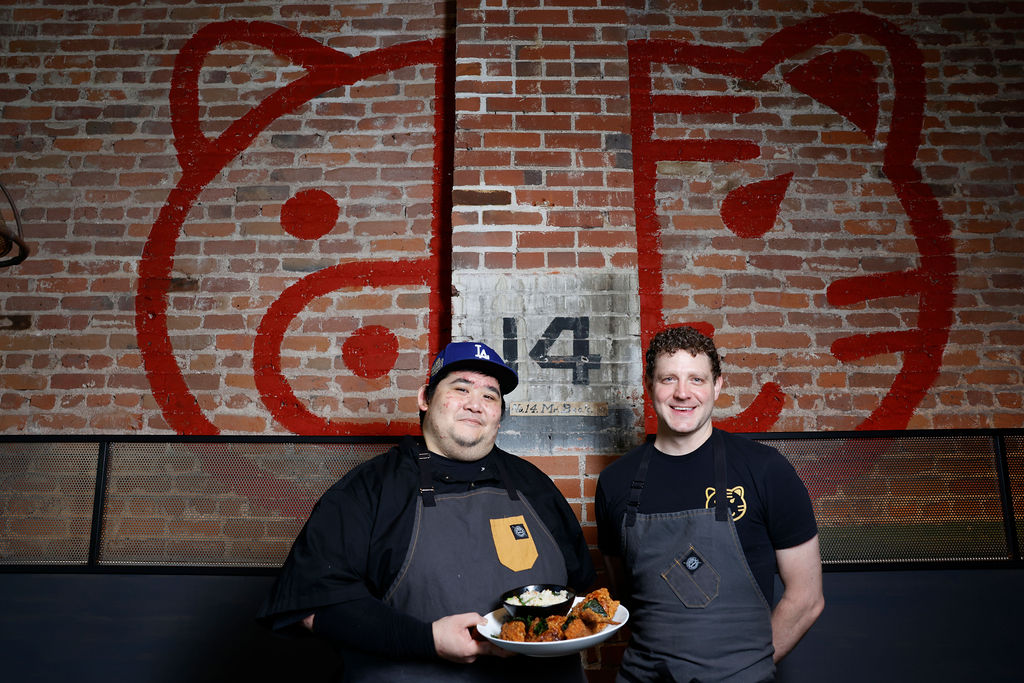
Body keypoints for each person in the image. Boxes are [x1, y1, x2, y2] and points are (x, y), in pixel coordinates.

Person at [258, 341, 596, 681]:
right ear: (425, 398)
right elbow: (312, 605)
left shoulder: (535, 486)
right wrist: (427, 640)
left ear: (499, 414)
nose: (475, 405)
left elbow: (580, 590)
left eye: (490, 396)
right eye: (460, 388)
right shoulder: (369, 489)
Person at [596, 326, 824, 682]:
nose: (682, 393)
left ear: (717, 385)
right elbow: (625, 593)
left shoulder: (766, 469)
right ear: (649, 386)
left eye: (696, 380)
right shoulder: (614, 482)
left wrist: (748, 667)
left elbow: (807, 598)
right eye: (668, 378)